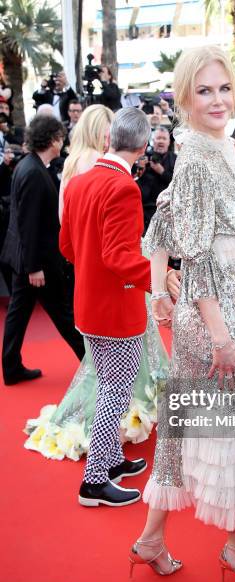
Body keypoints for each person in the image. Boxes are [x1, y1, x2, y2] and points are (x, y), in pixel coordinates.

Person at [133, 46, 235, 582]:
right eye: (204, 90)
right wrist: (220, 335)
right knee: (230, 429)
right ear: (185, 97)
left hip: (211, 309)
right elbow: (193, 258)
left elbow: (160, 225)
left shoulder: (212, 148)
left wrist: (156, 291)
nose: (217, 100)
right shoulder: (196, 159)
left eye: (224, 88)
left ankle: (150, 539)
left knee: (182, 425)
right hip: (215, 317)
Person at [24, 104, 176, 462]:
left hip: (86, 303)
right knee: (116, 392)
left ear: (109, 138)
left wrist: (92, 266)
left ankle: (109, 464)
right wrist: (161, 279)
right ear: (142, 148)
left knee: (108, 386)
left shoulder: (78, 181)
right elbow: (118, 257)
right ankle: (97, 477)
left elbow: (67, 245)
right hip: (115, 309)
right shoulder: (124, 187)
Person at [0, 115, 85, 385]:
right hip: (38, 263)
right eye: (60, 136)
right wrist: (34, 267)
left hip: (27, 259)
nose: (63, 140)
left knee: (19, 313)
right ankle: (92, 366)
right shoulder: (34, 172)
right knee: (64, 315)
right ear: (52, 139)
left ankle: (11, 367)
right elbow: (29, 225)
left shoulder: (29, 166)